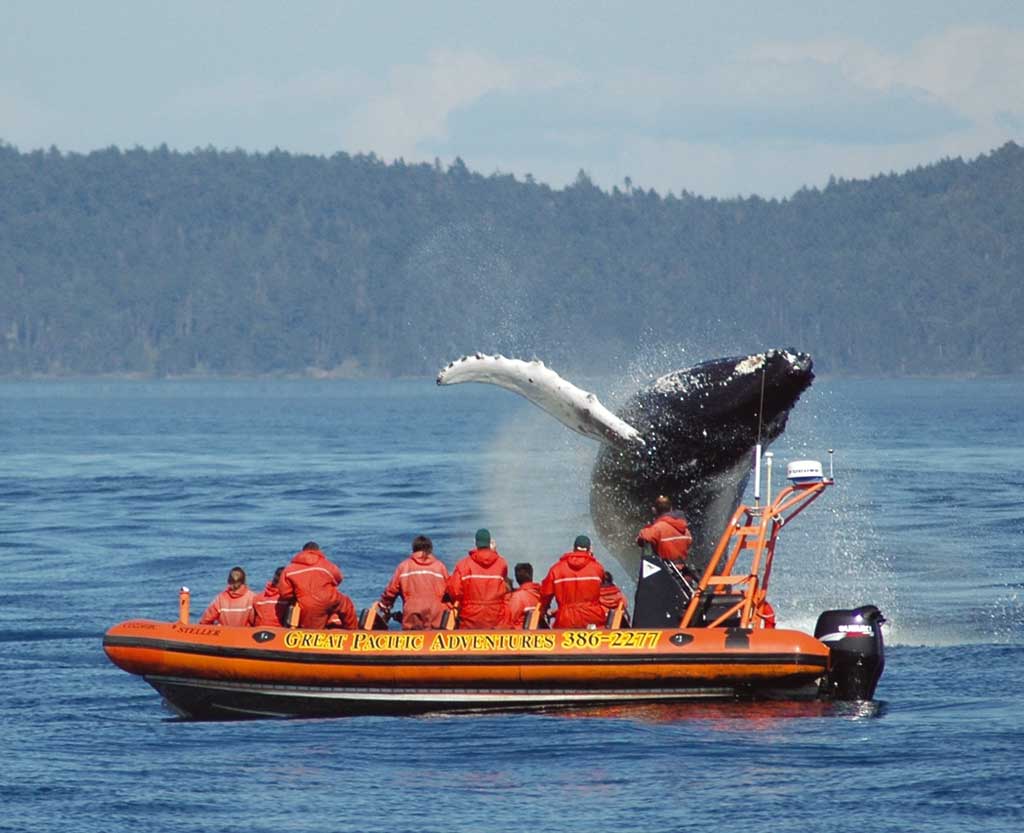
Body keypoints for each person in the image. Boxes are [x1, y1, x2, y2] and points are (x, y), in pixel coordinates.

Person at [378, 535, 450, 630]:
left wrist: (384, 606)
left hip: (412, 614)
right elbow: (450, 591)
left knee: (413, 638)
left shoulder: (404, 567)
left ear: (414, 549)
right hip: (436, 615)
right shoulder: (440, 567)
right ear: (430, 550)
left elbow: (391, 592)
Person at [539, 535, 606, 629]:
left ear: (573, 548)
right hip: (592, 619)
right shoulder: (597, 568)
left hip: (566, 620)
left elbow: (545, 595)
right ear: (590, 549)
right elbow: (604, 592)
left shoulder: (557, 569)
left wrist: (543, 611)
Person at [446, 528, 509, 629]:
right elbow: (505, 588)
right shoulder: (502, 563)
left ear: (475, 543)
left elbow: (454, 591)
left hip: (470, 621)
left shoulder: (463, 565)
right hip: (495, 620)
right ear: (490, 543)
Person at [277, 541, 346, 629]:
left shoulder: (290, 569)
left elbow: (285, 593)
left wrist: (295, 596)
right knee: (346, 606)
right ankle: (353, 632)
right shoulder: (327, 565)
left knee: (295, 607)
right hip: (325, 599)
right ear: (318, 551)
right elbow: (338, 578)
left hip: (303, 603)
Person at [636, 495, 693, 562]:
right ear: (671, 509)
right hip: (681, 570)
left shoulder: (657, 529)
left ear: (654, 510)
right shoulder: (686, 531)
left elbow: (642, 539)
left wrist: (647, 528)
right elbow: (689, 545)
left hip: (664, 570)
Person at [501, 562, 542, 629]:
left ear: (517, 578)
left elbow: (508, 621)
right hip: (535, 634)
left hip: (519, 634)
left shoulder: (518, 597)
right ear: (531, 575)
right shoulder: (539, 594)